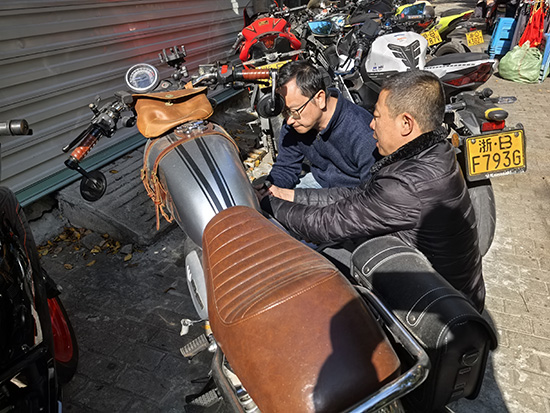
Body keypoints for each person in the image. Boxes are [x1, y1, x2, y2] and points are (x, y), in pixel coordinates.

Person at [259, 70, 486, 312]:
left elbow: (325, 224)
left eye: (377, 116)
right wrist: (289, 196)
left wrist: (269, 204)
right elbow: (359, 197)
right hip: (436, 288)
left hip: (439, 312)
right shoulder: (431, 152)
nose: (371, 124)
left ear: (406, 123)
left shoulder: (407, 184)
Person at [266, 60, 378, 189]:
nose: (289, 120)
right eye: (285, 112)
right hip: (320, 182)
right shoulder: (295, 122)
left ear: (319, 98)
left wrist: (298, 197)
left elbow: (371, 195)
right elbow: (285, 167)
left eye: (294, 111)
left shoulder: (363, 133)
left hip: (354, 193)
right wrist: (268, 188)